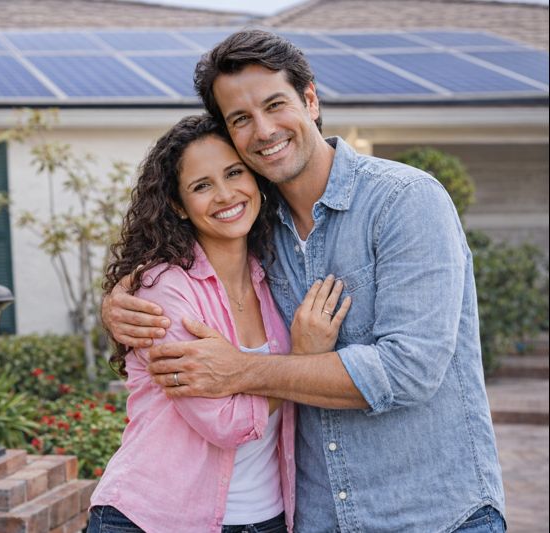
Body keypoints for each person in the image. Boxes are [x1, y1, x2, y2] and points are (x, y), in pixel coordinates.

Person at [102, 30, 505, 532]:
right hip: (320, 519)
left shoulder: (404, 201)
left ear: (310, 99)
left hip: (431, 515)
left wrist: (242, 371)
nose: (265, 130)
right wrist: (119, 301)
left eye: (276, 105)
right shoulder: (258, 233)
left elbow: (409, 369)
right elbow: (178, 266)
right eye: (241, 120)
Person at [88, 114, 349, 533]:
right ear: (178, 204)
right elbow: (226, 422)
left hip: (267, 519)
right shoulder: (165, 292)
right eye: (202, 185)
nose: (226, 195)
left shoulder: (274, 277)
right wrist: (303, 361)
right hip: (156, 519)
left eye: (234, 173)